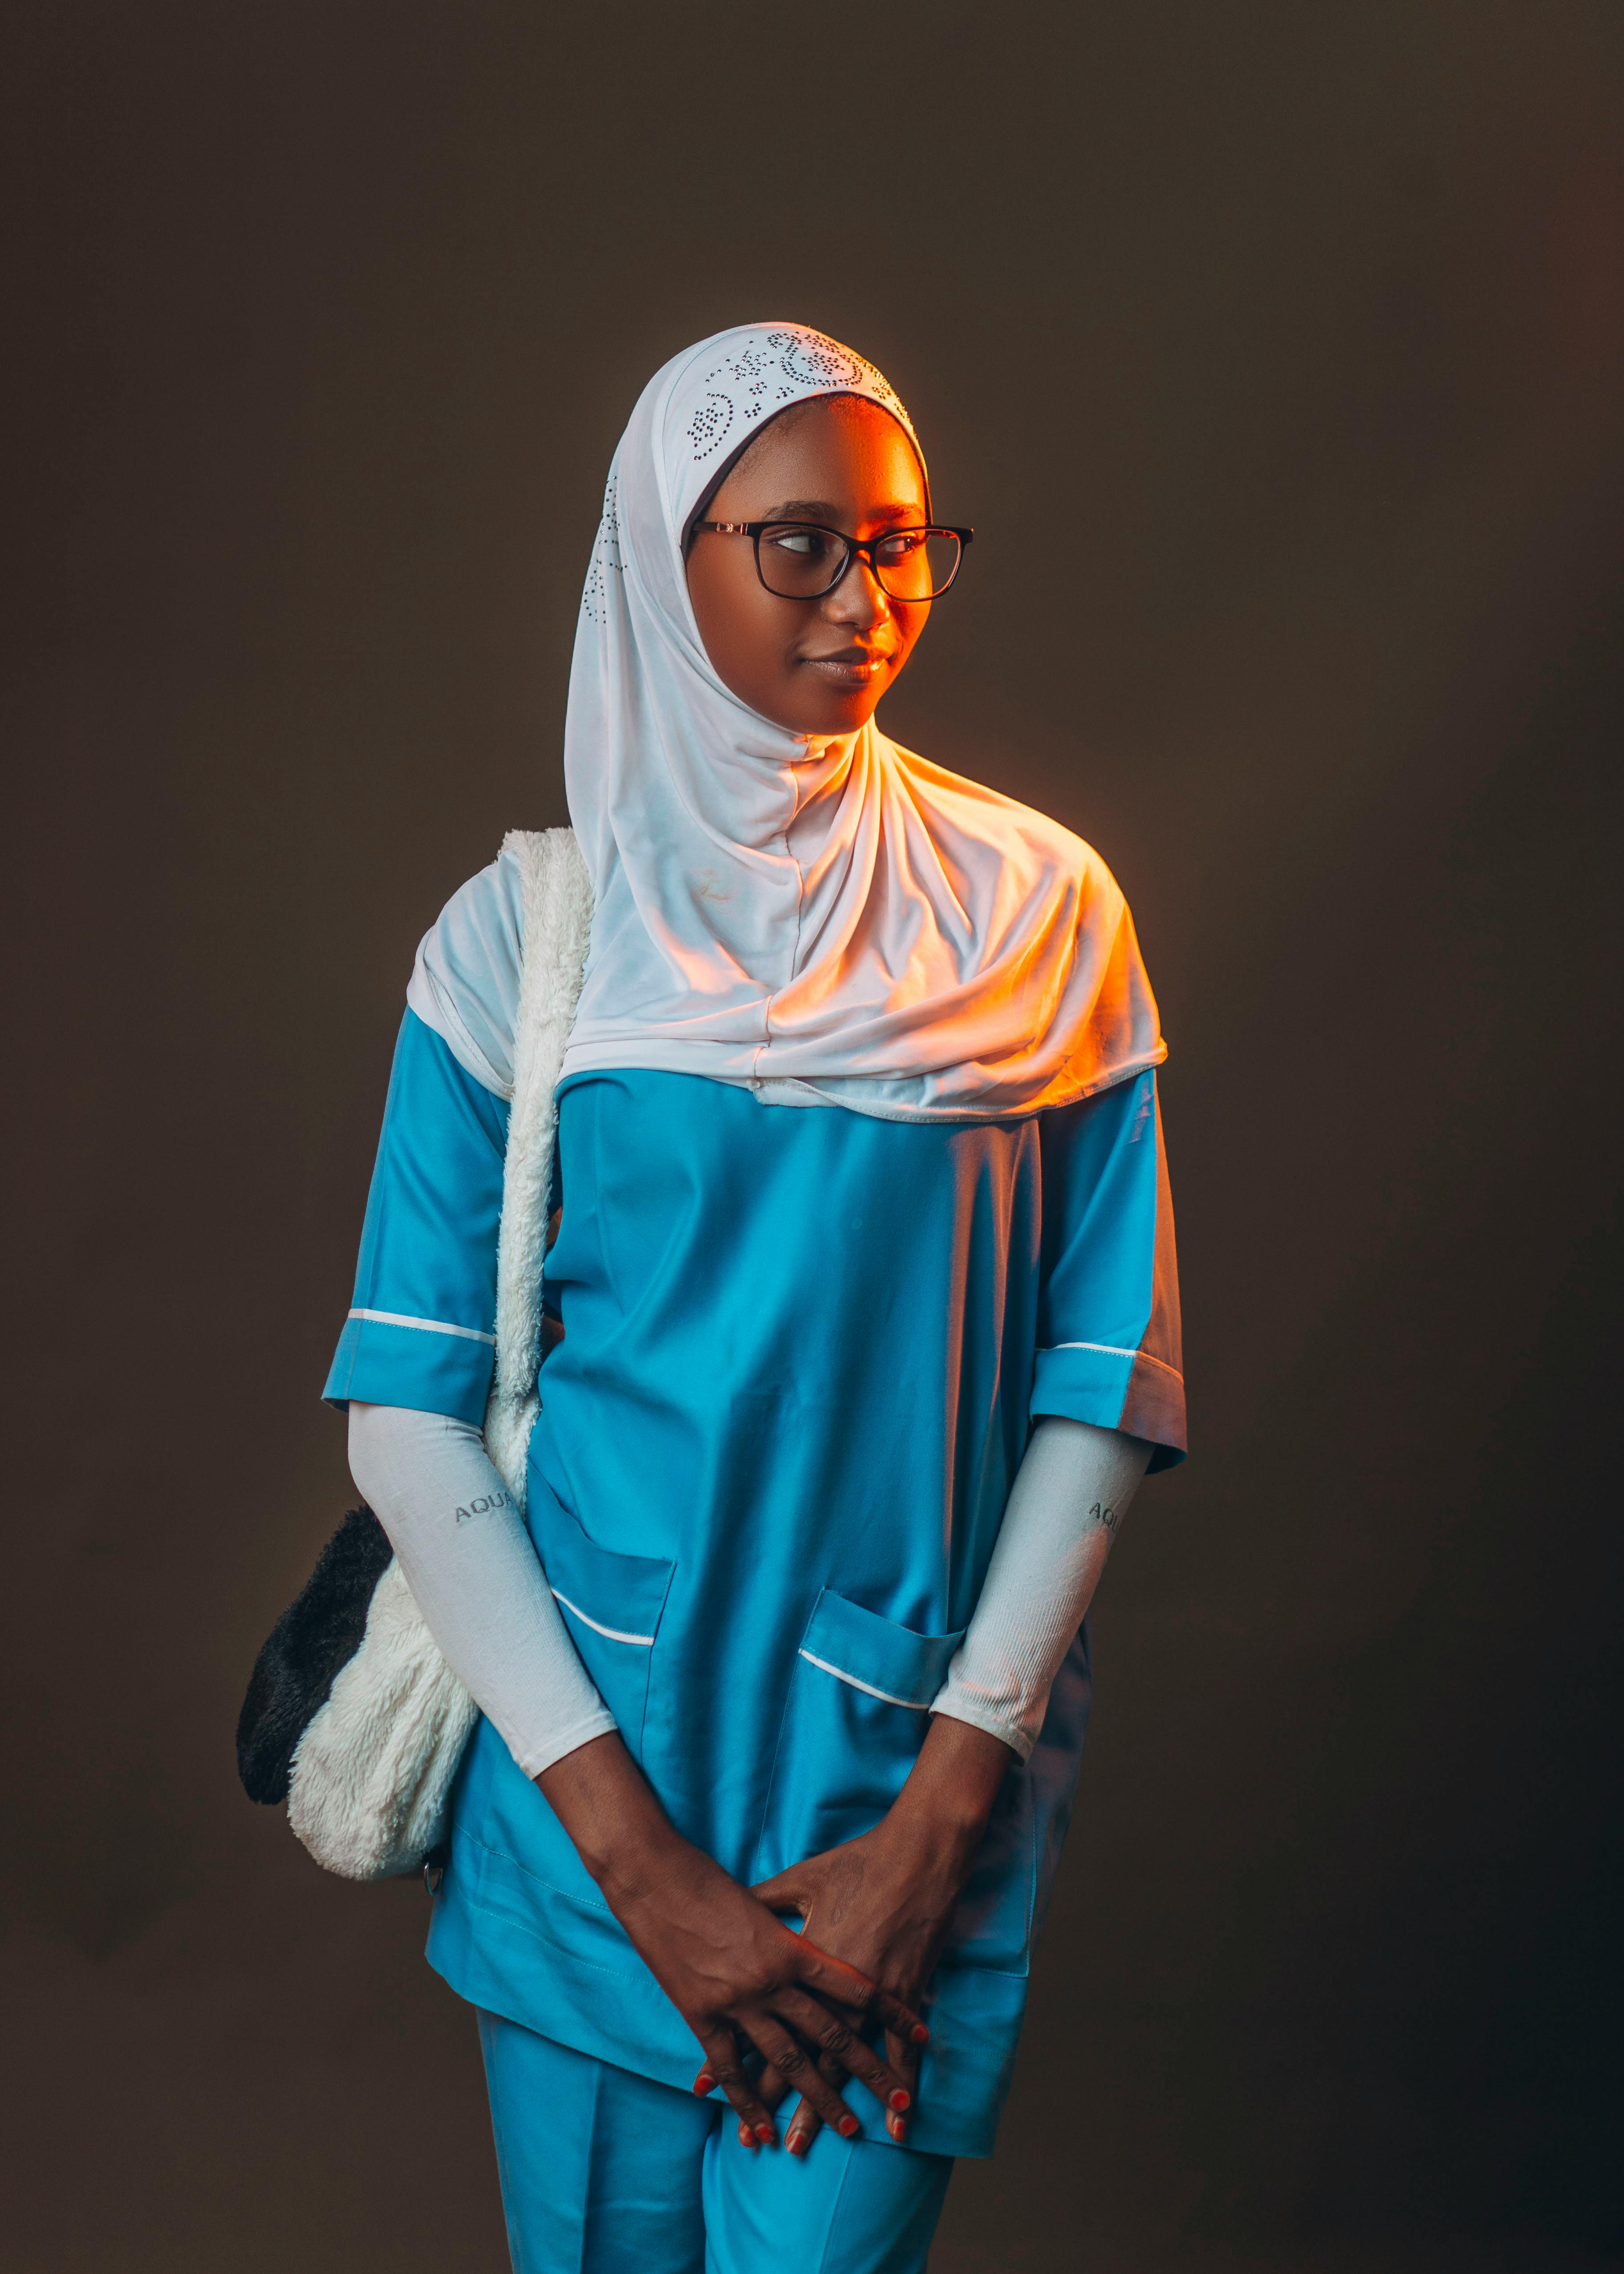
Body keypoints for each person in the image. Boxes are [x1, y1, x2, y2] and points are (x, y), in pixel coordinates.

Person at [325, 322, 1185, 2274]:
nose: (864, 597)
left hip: (894, 1811)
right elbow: (409, 1409)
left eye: (903, 547)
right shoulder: (521, 945)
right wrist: (639, 1871)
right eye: (800, 543)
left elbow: (1103, 1378)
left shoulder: (1044, 918)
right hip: (587, 1808)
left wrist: (944, 1819)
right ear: (661, 547)